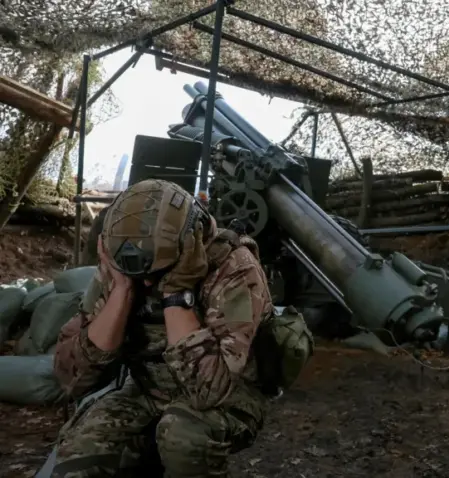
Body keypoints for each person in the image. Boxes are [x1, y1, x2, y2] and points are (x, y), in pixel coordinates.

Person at [50, 178, 278, 477]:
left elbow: (208, 393)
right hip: (147, 389)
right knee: (79, 455)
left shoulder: (233, 265)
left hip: (230, 397)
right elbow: (71, 379)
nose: (147, 283)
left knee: (183, 437)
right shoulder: (123, 263)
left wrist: (177, 292)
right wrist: (122, 290)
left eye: (155, 274)